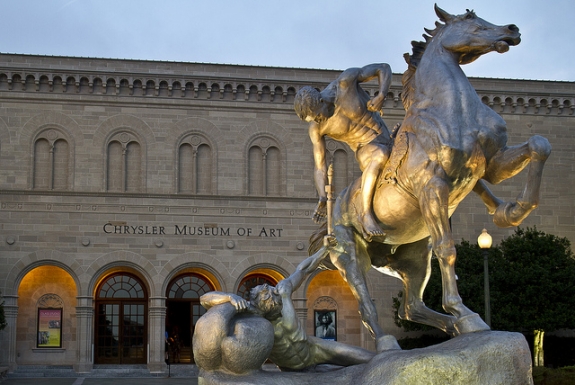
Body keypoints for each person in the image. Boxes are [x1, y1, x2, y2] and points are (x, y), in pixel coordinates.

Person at [196, 236, 375, 372]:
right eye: (265, 292)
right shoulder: (251, 313)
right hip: (290, 368)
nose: (272, 292)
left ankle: (391, 362)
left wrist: (324, 249)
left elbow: (303, 269)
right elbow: (205, 299)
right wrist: (228, 297)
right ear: (256, 301)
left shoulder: (283, 293)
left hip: (313, 350)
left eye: (272, 289)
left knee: (367, 359)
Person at [294, 63, 393, 240]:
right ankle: (366, 214)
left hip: (387, 136)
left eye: (317, 115)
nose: (318, 120)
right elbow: (320, 167)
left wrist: (382, 94)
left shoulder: (346, 82)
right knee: (380, 154)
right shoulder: (317, 128)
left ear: (322, 101)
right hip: (365, 148)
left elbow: (383, 68)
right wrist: (322, 197)